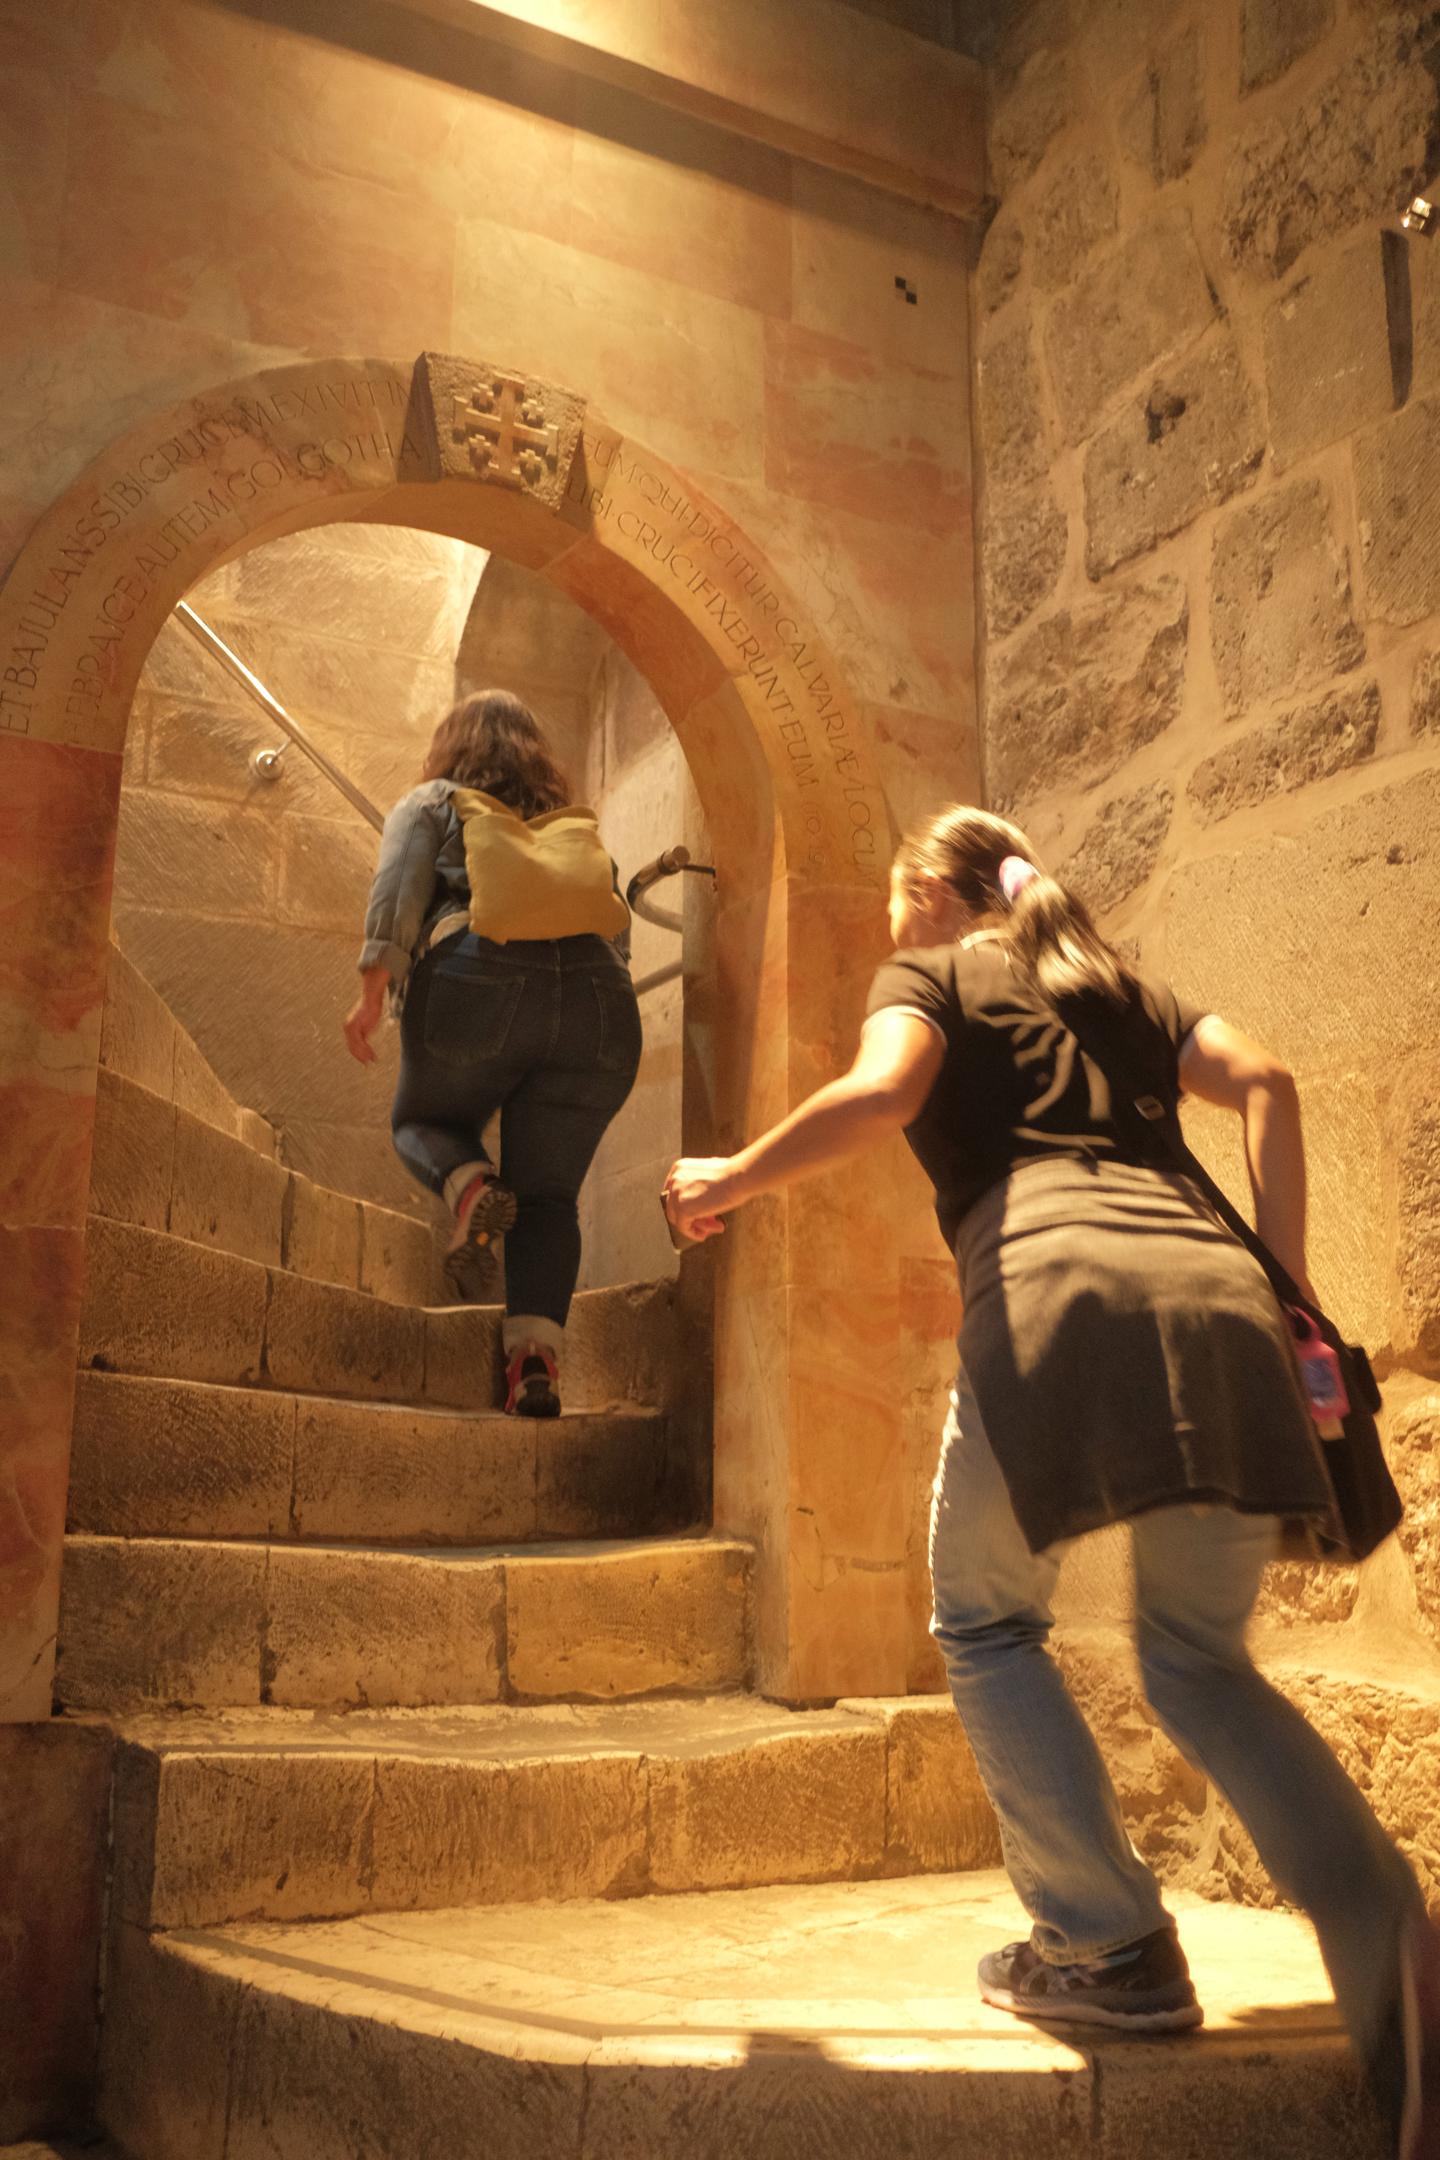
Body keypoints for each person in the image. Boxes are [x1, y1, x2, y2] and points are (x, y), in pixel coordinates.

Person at [663, 802, 1439, 2157]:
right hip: (1227, 1306)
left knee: (982, 1614)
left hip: (1060, 1297)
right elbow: (1271, 1082)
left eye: (902, 906)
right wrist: (1290, 1282)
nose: (892, 932)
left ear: (939, 898)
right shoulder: (1119, 986)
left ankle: (1107, 1944)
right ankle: (1401, 1952)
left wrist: (730, 1173)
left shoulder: (938, 973)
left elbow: (889, 1088)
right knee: (1200, 1663)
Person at [345, 689, 641, 1417]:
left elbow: (399, 887)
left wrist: (371, 988)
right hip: (601, 1007)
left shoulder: (436, 800)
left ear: (452, 745)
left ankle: (472, 1188)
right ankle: (533, 1366)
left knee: (422, 1126)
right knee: (549, 1198)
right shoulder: (570, 826)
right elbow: (616, 930)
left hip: (480, 978)